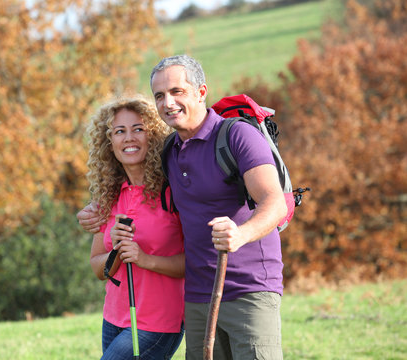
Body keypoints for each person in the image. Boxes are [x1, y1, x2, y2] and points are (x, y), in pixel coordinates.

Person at [78, 55, 288, 360]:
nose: (168, 102)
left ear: (201, 92)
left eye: (177, 91)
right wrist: (96, 209)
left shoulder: (237, 135)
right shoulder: (171, 152)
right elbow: (135, 189)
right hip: (198, 296)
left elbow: (275, 202)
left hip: (249, 289)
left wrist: (240, 234)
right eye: (160, 95)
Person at [85, 96, 185, 360]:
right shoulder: (109, 196)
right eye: (120, 131)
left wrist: (145, 259)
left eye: (138, 129)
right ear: (110, 143)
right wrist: (116, 251)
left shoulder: (173, 191)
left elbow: (195, 262)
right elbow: (98, 268)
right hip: (115, 317)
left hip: (160, 320)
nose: (129, 138)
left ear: (152, 136)